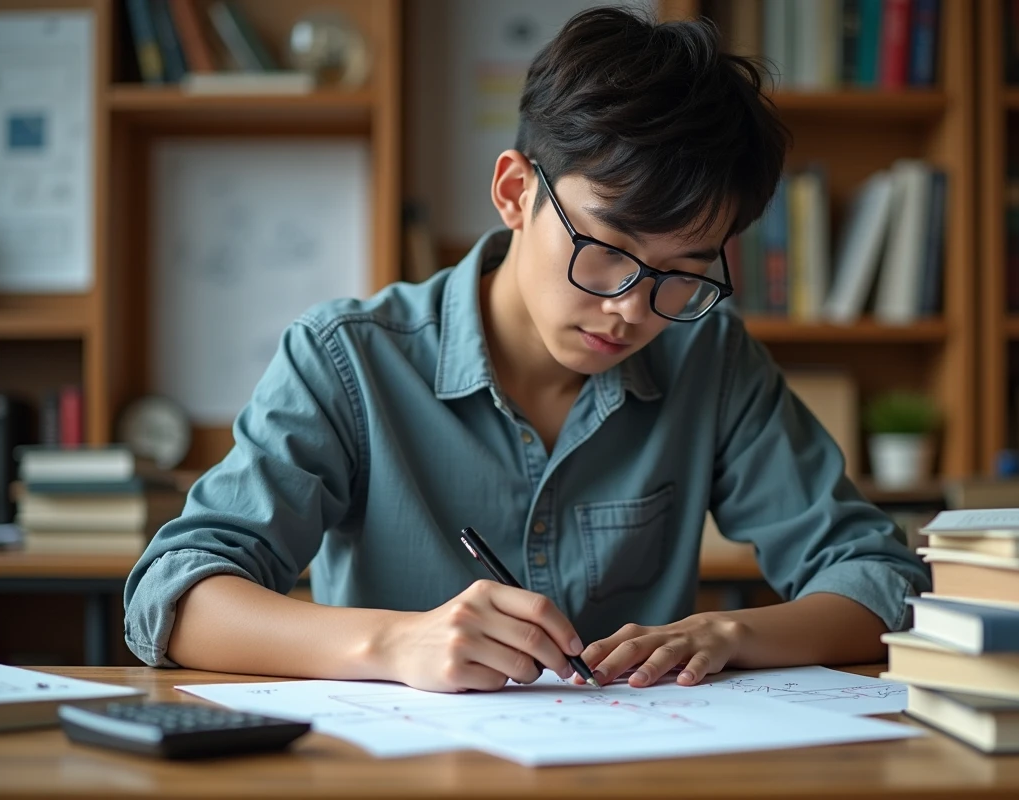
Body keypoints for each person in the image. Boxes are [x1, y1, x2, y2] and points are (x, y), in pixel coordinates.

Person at [123, 6, 930, 693]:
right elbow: (172, 595)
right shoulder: (348, 360)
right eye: (608, 249)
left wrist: (730, 634)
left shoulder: (708, 357)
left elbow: (881, 577)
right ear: (515, 192)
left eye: (681, 274)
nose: (629, 309)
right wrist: (391, 646)